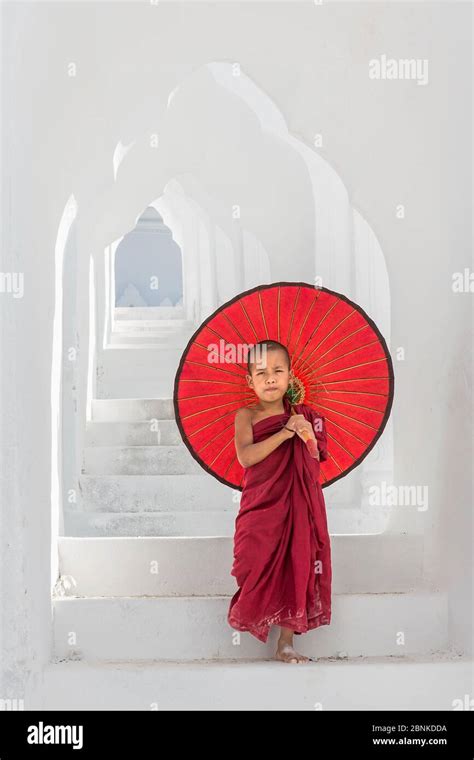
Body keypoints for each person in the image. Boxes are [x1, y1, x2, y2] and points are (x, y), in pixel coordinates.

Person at [227, 339, 331, 664]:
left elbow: (317, 457)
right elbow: (246, 457)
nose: (270, 378)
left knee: (297, 560)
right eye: (261, 372)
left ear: (290, 376)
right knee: (250, 559)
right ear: (250, 381)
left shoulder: (306, 415)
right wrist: (284, 433)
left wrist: (306, 435)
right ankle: (257, 613)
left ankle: (285, 642)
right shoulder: (246, 415)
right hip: (259, 505)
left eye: (277, 371)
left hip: (297, 505)